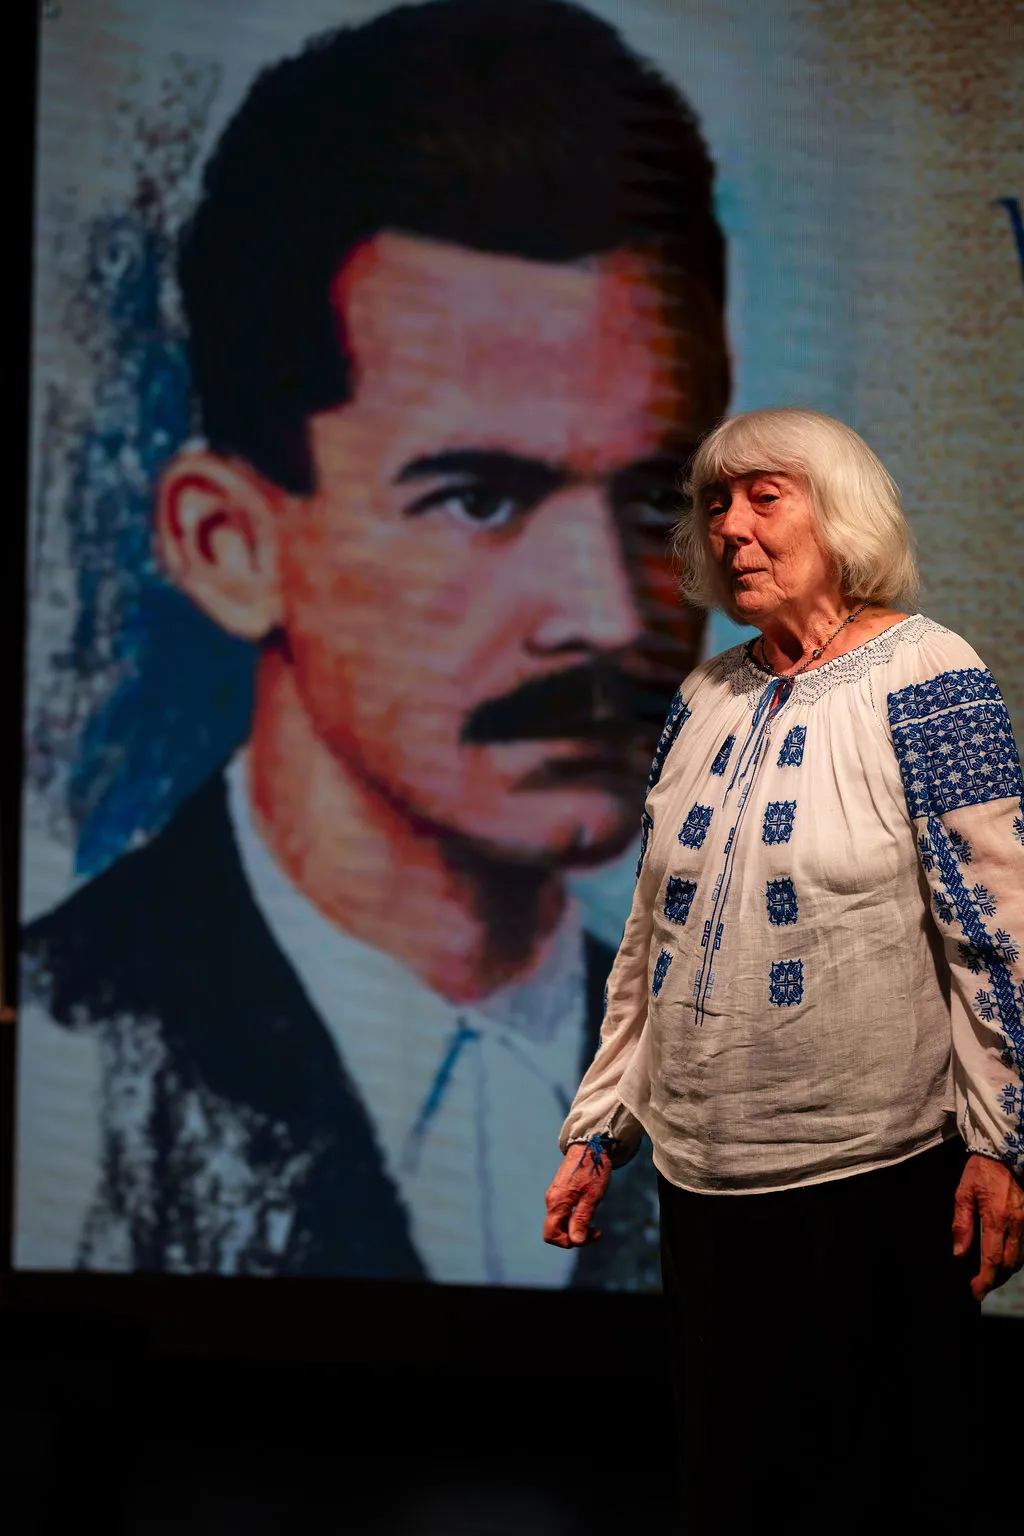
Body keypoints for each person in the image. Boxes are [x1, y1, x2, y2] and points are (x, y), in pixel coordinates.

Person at [16, 0, 729, 1284]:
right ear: (230, 545)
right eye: (480, 498)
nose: (613, 615)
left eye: (657, 503)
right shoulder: (55, 1058)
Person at [544, 408, 1024, 1532]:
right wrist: (598, 1125)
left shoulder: (929, 671)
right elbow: (651, 935)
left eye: (766, 497)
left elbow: (999, 922)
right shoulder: (703, 696)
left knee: (879, 1486)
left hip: (875, 1179)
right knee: (737, 1491)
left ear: (840, 514)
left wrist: (1004, 1140)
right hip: (705, 1182)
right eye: (715, 503)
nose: (731, 527)